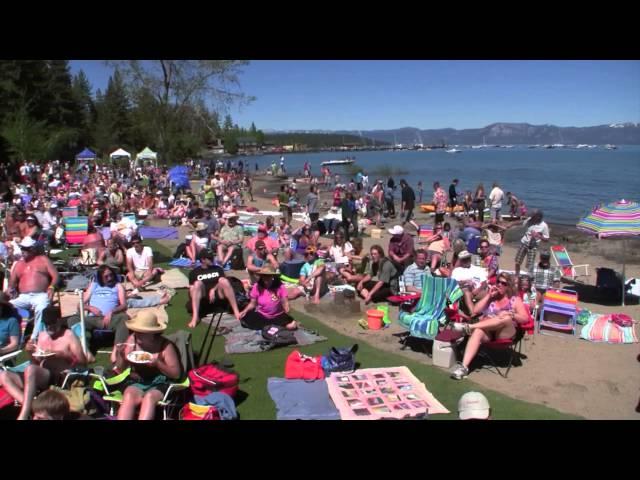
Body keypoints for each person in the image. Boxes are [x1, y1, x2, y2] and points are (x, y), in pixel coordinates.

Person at [0, 306, 87, 420]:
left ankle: (24, 414)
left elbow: (83, 362)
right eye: (46, 324)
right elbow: (35, 362)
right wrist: (30, 352)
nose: (49, 327)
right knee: (4, 375)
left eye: (52, 324)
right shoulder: (42, 335)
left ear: (59, 320)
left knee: (30, 370)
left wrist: (64, 355)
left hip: (60, 376)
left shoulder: (69, 336)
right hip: (41, 375)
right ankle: (32, 408)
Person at [450, 272, 528, 380]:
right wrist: (488, 296)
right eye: (498, 282)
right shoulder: (492, 298)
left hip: (505, 333)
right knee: (477, 331)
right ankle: (464, 367)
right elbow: (474, 311)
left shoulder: (515, 300)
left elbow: (525, 318)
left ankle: (468, 327)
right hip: (490, 333)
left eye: (503, 283)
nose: (499, 284)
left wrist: (511, 314)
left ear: (509, 286)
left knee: (505, 318)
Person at [112, 311, 182, 420]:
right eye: (136, 330)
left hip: (160, 382)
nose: (137, 333)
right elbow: (121, 368)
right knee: (129, 396)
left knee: (149, 398)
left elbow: (176, 374)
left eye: (141, 331)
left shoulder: (165, 346)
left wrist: (158, 363)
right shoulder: (132, 340)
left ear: (152, 333)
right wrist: (121, 355)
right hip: (138, 381)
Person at [6, 236, 59, 341]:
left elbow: (56, 276)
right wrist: (10, 289)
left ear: (32, 249)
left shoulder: (43, 260)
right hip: (23, 297)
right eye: (22, 248)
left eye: (25, 248)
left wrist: (52, 287)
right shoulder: (19, 264)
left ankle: (35, 337)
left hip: (40, 295)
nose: (23, 251)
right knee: (7, 306)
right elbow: (12, 283)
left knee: (41, 308)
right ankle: (10, 335)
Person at [66, 265, 129, 345]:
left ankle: (119, 348)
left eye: (111, 275)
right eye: (106, 277)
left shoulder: (118, 286)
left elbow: (124, 305)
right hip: (93, 319)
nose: (110, 278)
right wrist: (90, 308)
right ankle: (85, 343)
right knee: (72, 319)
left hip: (110, 319)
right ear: (100, 278)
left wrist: (112, 311)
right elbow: (79, 305)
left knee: (124, 317)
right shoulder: (94, 286)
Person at [186, 249, 241, 328]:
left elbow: (222, 282)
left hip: (217, 295)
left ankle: (236, 312)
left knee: (224, 281)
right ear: (203, 260)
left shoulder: (218, 269)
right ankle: (195, 317)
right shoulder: (194, 272)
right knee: (197, 284)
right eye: (210, 258)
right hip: (203, 296)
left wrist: (213, 289)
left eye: (212, 257)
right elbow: (192, 290)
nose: (212, 259)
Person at [239, 266, 297, 330]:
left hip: (278, 315)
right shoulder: (257, 286)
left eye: (268, 276)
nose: (265, 278)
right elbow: (253, 304)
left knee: (292, 326)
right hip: (262, 315)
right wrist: (244, 311)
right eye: (264, 275)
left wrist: (287, 308)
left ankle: (270, 328)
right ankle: (272, 327)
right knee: (245, 318)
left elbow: (285, 302)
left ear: (272, 276)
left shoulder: (280, 286)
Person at [514, 210, 550, 278]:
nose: (532, 218)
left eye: (534, 217)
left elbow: (547, 239)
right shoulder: (530, 220)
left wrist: (538, 236)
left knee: (530, 265)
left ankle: (529, 277)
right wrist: (511, 224)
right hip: (524, 243)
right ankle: (516, 275)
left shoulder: (544, 226)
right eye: (532, 216)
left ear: (539, 217)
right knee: (518, 261)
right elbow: (521, 222)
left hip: (533, 246)